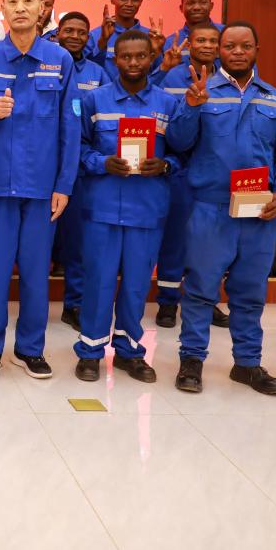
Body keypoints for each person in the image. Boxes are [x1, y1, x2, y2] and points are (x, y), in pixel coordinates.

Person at [166, 21, 276, 395]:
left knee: (250, 293)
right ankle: (191, 360)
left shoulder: (275, 99)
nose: (238, 52)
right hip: (211, 209)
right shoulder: (201, 91)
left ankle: (247, 364)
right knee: (200, 291)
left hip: (258, 212)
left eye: (245, 46)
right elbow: (178, 142)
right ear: (218, 51)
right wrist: (192, 107)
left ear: (256, 50)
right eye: (230, 46)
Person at [0, 0, 79, 379]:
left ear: (42, 8)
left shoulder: (60, 60)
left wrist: (64, 185)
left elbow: (70, 128)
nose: (20, 7)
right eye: (12, 0)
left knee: (35, 274)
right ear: (2, 8)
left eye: (28, 0)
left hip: (42, 188)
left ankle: (31, 348)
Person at [73, 30, 180, 382]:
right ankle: (90, 351)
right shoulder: (95, 100)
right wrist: (101, 162)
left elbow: (183, 152)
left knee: (136, 285)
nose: (133, 63)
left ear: (152, 58)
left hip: (147, 208)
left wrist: (164, 165)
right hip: (102, 207)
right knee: (98, 282)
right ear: (114, 59)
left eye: (140, 56)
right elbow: (78, 148)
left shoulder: (168, 104)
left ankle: (130, 351)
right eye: (126, 56)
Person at [153, 21, 228, 329]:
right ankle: (168, 302)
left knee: (210, 243)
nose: (207, 46)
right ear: (190, 44)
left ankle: (205, 300)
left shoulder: (226, 81)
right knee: (175, 240)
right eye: (201, 40)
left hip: (215, 169)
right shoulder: (172, 77)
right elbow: (157, 113)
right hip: (180, 169)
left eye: (213, 41)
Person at [49, 11, 107, 331]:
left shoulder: (98, 74)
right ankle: (33, 304)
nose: (74, 36)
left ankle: (73, 304)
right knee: (37, 241)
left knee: (77, 242)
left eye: (81, 32)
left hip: (82, 170)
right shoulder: (45, 64)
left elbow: (108, 115)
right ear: (57, 33)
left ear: (88, 38)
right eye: (68, 30)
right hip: (43, 166)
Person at [85, 0, 166, 81]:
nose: (129, 4)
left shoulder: (151, 37)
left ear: (141, 2)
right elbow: (88, 72)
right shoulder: (95, 35)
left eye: (135, 0)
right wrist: (103, 43)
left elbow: (158, 76)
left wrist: (156, 52)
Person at [160, 0, 223, 69]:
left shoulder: (226, 34)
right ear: (181, 8)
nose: (197, 7)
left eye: (203, 2)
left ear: (211, 6)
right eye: (190, 3)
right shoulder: (169, 43)